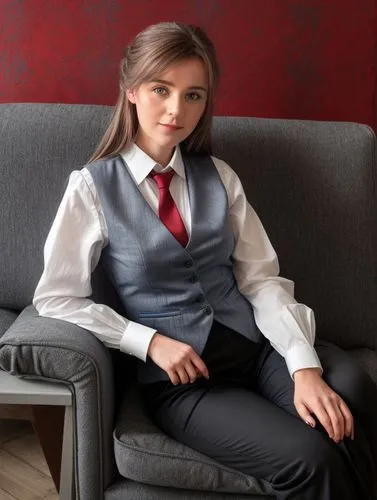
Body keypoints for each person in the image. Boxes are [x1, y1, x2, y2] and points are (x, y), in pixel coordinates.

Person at [33, 21, 377, 499]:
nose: (177, 110)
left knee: (353, 399)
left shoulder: (219, 176)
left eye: (193, 95)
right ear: (131, 91)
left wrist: (303, 367)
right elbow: (55, 297)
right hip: (187, 384)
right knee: (310, 457)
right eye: (161, 89)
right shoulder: (91, 187)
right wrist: (147, 341)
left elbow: (260, 280)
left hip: (260, 350)